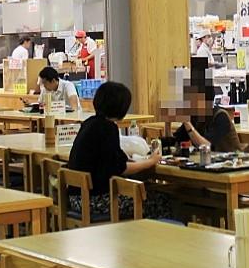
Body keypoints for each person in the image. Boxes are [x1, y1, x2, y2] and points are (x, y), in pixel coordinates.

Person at [67, 82, 172, 220]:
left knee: (148, 192)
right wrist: (151, 161)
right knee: (161, 200)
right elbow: (120, 168)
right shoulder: (108, 128)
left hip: (76, 199)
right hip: (93, 201)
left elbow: (112, 159)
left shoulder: (89, 123)